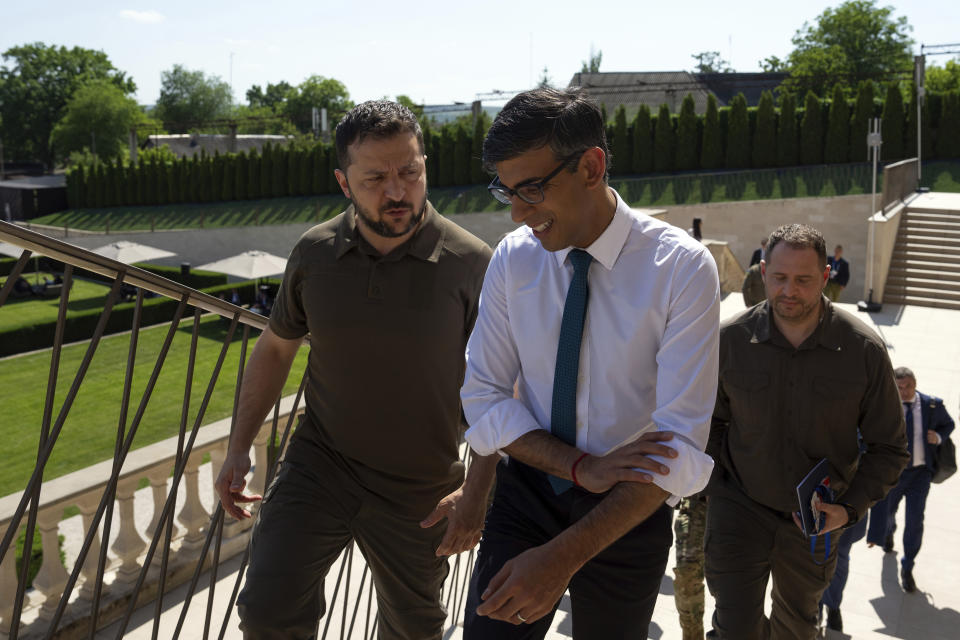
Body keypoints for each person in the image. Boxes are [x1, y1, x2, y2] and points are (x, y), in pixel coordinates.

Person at [215, 100, 498, 640]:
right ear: (344, 183)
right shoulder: (315, 254)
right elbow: (276, 348)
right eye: (375, 178)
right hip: (320, 465)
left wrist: (478, 489)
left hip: (422, 486)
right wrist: (238, 447)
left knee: (413, 629)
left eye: (410, 172)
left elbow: (503, 384)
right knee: (266, 609)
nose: (397, 191)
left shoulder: (472, 263)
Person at [460, 87, 720, 639]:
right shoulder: (513, 259)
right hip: (527, 492)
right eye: (506, 192)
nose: (518, 212)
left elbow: (679, 446)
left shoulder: (682, 268)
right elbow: (482, 398)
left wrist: (562, 556)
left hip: (630, 506)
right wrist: (581, 467)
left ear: (592, 167)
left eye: (531, 189)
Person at [706, 223, 908, 640]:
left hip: (814, 522)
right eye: (779, 278)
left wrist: (848, 508)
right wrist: (713, 486)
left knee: (797, 629)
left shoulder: (863, 351)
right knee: (733, 628)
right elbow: (708, 422)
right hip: (739, 510)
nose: (788, 291)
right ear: (763, 273)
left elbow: (889, 448)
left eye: (803, 280)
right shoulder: (729, 341)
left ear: (826, 276)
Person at [865, 367, 954, 593]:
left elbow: (949, 424)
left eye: (908, 387)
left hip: (920, 475)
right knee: (887, 513)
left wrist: (939, 436)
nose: (904, 392)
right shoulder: (885, 409)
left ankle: (908, 567)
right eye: (899, 387)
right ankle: (888, 532)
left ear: (915, 384)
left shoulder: (931, 405)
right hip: (894, 475)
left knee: (915, 522)